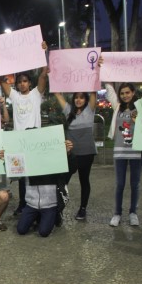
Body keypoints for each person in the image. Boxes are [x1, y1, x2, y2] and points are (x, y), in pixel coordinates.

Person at [0, 42, 49, 215]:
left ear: (29, 83)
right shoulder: (15, 97)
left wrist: (44, 53)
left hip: (34, 140)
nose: (22, 84)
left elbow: (43, 75)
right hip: (19, 142)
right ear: (17, 85)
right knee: (20, 174)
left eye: (25, 81)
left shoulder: (36, 94)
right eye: (19, 82)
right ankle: (22, 205)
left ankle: (34, 205)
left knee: (33, 174)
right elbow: (2, 81)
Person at [15, 140, 74, 237]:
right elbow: (13, 176)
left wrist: (68, 153)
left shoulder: (53, 163)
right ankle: (37, 216)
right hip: (31, 204)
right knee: (21, 230)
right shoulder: (26, 163)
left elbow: (71, 169)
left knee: (44, 232)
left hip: (49, 204)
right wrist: (6, 160)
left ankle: (56, 215)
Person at [55, 91, 97, 220]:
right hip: (71, 153)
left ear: (86, 99)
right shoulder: (69, 111)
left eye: (82, 98)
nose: (78, 100)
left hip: (87, 152)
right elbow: (58, 93)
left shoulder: (90, 110)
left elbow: (94, 90)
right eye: (76, 97)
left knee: (84, 180)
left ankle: (82, 209)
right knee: (63, 180)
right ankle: (58, 209)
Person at [105, 82, 141, 227]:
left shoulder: (140, 108)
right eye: (122, 93)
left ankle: (133, 213)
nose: (125, 95)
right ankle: (117, 213)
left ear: (133, 93)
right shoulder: (117, 107)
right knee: (120, 184)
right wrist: (104, 70)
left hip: (137, 151)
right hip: (119, 151)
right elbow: (110, 90)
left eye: (127, 92)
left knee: (135, 184)